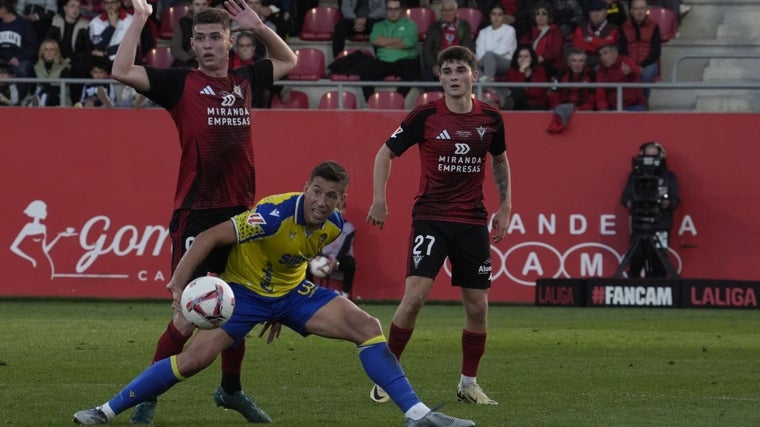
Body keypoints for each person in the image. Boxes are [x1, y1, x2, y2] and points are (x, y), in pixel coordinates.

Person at [72, 161, 476, 427]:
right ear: (306, 188)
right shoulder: (272, 214)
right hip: (242, 295)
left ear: (341, 200)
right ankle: (105, 411)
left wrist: (282, 309)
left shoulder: (333, 226)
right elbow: (213, 235)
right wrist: (179, 280)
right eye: (316, 191)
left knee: (367, 325)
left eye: (331, 196)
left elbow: (294, 257)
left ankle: (417, 414)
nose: (322, 201)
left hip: (292, 294)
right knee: (194, 360)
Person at [104, 0, 296, 423]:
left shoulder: (246, 79)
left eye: (216, 37)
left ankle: (231, 390)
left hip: (243, 213)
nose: (208, 45)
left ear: (230, 41)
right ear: (192, 43)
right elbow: (121, 71)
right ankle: (147, 396)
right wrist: (139, 19)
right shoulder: (179, 85)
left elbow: (289, 58)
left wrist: (260, 27)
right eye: (201, 38)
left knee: (237, 309)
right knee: (187, 317)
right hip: (197, 212)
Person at [366, 45, 512, 406]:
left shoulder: (491, 118)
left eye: (460, 70)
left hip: (471, 221)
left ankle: (468, 384)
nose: (453, 77)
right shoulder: (426, 114)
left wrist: (506, 206)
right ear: (440, 77)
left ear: (474, 75)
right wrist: (379, 199)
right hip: (431, 217)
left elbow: (500, 161)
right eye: (447, 71)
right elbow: (385, 152)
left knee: (478, 307)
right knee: (414, 297)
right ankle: (388, 377)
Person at [620, 142, 680, 278]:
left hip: (660, 225)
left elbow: (676, 201)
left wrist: (667, 203)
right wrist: (632, 203)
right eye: (648, 155)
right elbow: (624, 199)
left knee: (659, 265)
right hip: (639, 227)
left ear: (661, 156)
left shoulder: (669, 177)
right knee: (635, 263)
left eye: (655, 156)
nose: (651, 160)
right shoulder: (634, 176)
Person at [357, 0, 419, 101]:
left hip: (405, 59)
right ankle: (370, 102)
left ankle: (397, 100)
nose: (393, 12)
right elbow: (375, 40)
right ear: (386, 10)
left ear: (401, 10)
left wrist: (385, 43)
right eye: (390, 9)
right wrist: (399, 40)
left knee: (412, 69)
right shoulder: (379, 25)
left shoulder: (410, 24)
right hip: (383, 60)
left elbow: (409, 42)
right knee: (365, 68)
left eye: (396, 9)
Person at [307, 200, 357, 299]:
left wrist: (335, 260)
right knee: (304, 262)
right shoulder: (320, 224)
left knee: (350, 264)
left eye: (340, 208)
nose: (337, 211)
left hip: (340, 258)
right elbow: (315, 242)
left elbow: (345, 248)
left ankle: (345, 294)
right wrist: (317, 255)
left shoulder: (349, 228)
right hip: (322, 256)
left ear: (344, 210)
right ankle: (311, 293)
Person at [46, 0, 91, 104]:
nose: (76, 9)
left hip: (75, 60)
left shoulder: (84, 24)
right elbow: (48, 42)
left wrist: (71, 59)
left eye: (78, 7)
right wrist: (58, 57)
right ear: (65, 8)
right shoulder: (56, 21)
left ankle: (76, 102)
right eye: (72, 6)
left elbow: (87, 49)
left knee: (78, 67)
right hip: (57, 58)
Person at [421, 0, 474, 85]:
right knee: (426, 75)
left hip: (458, 63)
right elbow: (427, 49)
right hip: (438, 63)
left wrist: (455, 65)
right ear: (441, 12)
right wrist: (434, 65)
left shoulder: (464, 26)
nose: (447, 13)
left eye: (450, 10)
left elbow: (466, 48)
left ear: (456, 12)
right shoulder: (434, 27)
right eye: (444, 10)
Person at [545, 47, 596, 133]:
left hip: (584, 110)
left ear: (585, 63)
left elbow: (593, 98)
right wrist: (560, 108)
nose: (577, 64)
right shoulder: (561, 74)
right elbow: (553, 96)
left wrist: (578, 109)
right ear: (569, 63)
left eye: (581, 61)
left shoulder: (592, 75)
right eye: (574, 61)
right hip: (562, 108)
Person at [618, 0, 660, 98]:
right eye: (636, 9)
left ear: (647, 10)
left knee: (645, 75)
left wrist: (641, 66)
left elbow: (656, 52)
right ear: (631, 11)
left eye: (642, 8)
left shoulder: (654, 26)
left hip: (649, 64)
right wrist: (632, 66)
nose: (639, 12)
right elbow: (622, 50)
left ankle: (643, 103)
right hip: (630, 62)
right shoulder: (624, 26)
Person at [0, 0, 38, 99]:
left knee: (22, 69)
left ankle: (22, 100)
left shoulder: (24, 24)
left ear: (3, 9)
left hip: (20, 59)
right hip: (2, 59)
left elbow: (32, 47)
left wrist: (18, 58)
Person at [519, 1, 564, 79]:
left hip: (548, 63)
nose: (541, 16)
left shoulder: (555, 31)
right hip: (530, 60)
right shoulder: (530, 31)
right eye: (538, 14)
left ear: (549, 16)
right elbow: (522, 46)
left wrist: (542, 57)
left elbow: (555, 51)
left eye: (544, 14)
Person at [595, 42, 646, 111]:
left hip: (634, 105)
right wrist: (602, 108)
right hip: (613, 107)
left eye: (605, 53)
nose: (602, 57)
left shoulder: (626, 61)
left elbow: (636, 72)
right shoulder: (600, 71)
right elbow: (600, 93)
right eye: (600, 55)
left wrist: (630, 71)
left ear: (615, 53)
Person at [474, 3, 516, 82]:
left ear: (503, 16)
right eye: (494, 14)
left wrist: (486, 57)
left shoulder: (510, 30)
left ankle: (487, 83)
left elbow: (503, 50)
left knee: (489, 54)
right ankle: (487, 84)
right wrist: (485, 59)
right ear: (490, 16)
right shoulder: (483, 32)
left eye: (499, 15)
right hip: (484, 61)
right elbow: (479, 52)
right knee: (469, 63)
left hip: (505, 62)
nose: (496, 17)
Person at [572, 0, 618, 69]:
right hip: (583, 63)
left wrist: (589, 39)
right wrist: (598, 43)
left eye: (599, 11)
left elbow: (608, 46)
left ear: (606, 13)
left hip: (603, 64)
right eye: (593, 11)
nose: (596, 14)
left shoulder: (613, 28)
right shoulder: (581, 27)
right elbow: (578, 45)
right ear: (589, 13)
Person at [504, 44, 548, 110]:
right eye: (520, 56)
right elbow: (514, 89)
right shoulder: (512, 71)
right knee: (518, 91)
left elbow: (536, 93)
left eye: (526, 56)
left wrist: (523, 90)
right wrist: (521, 71)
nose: (523, 59)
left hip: (535, 105)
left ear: (532, 58)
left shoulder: (539, 71)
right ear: (516, 58)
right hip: (518, 104)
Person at [30, 38, 71, 106]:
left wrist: (45, 86)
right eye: (46, 50)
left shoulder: (64, 68)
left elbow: (60, 90)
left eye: (52, 49)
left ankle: (42, 102)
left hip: (60, 101)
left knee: (49, 94)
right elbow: (32, 90)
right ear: (42, 52)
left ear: (56, 52)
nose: (49, 52)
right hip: (37, 97)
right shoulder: (34, 68)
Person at [169, 0, 209, 68]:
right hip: (188, 60)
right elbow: (175, 48)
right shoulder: (183, 23)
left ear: (208, 6)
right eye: (197, 4)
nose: (201, 7)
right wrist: (191, 60)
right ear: (191, 7)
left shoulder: (215, 23)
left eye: (204, 4)